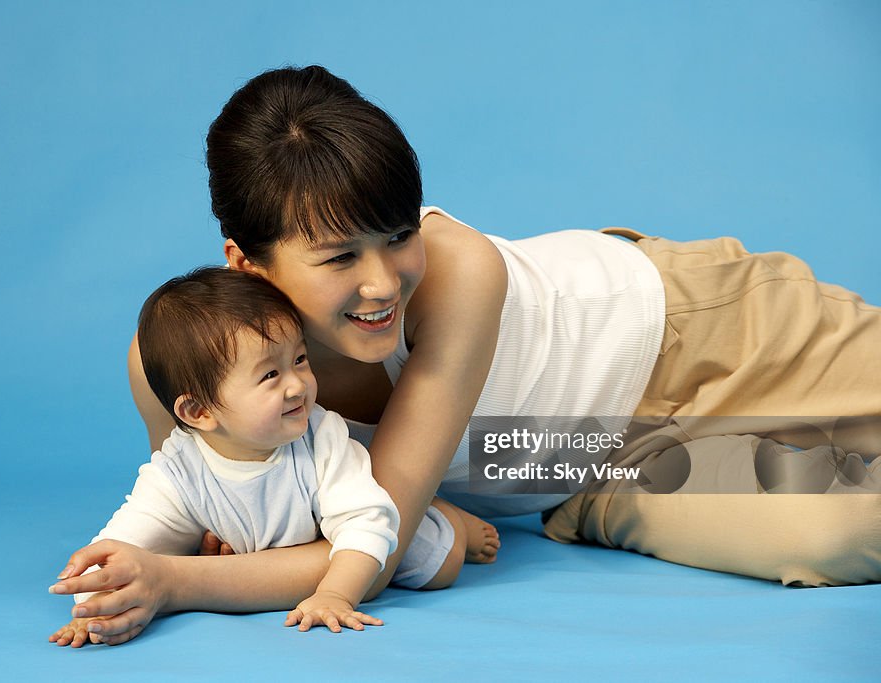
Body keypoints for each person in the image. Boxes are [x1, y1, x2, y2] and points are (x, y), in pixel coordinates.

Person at [48, 64, 881, 646]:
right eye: (339, 257)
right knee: (854, 522)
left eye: (399, 236)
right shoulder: (181, 370)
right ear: (245, 263)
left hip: (697, 331)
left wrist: (170, 582)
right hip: (606, 465)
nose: (383, 284)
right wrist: (173, 563)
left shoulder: (460, 274)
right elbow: (234, 530)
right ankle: (585, 504)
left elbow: (358, 558)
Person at [50, 267, 499, 646]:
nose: (297, 385)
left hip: (355, 521)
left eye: (300, 360)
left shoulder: (321, 436)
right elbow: (126, 541)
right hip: (290, 546)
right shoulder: (178, 469)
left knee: (438, 564)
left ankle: (444, 514)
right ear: (199, 411)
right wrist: (92, 608)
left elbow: (366, 522)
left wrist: (336, 595)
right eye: (270, 374)